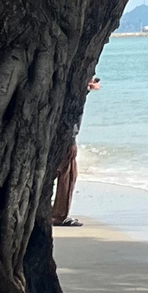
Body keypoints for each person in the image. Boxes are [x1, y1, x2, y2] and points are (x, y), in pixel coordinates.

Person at [50, 76, 97, 228]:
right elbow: (69, 118)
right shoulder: (73, 96)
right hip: (64, 138)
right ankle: (59, 216)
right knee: (68, 175)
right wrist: (70, 141)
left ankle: (49, 211)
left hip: (52, 136)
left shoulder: (68, 90)